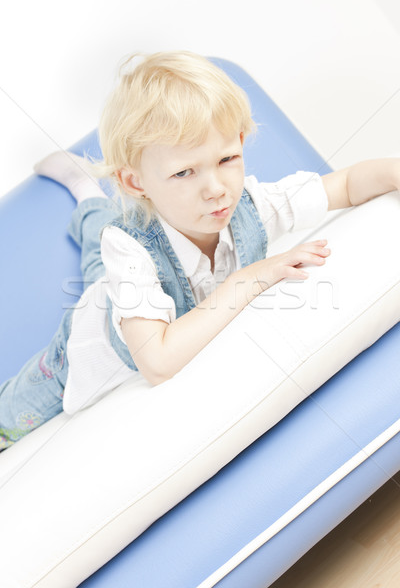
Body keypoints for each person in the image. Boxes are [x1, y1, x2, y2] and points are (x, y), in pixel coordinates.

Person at [0, 51, 398, 451]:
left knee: (98, 270)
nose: (216, 189)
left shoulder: (251, 205)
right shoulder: (127, 246)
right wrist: (246, 281)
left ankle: (88, 193)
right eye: (184, 172)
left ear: (241, 143)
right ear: (136, 182)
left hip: (123, 291)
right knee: (7, 421)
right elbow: (156, 360)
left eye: (227, 159)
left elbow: (344, 185)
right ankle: (88, 193)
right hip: (77, 355)